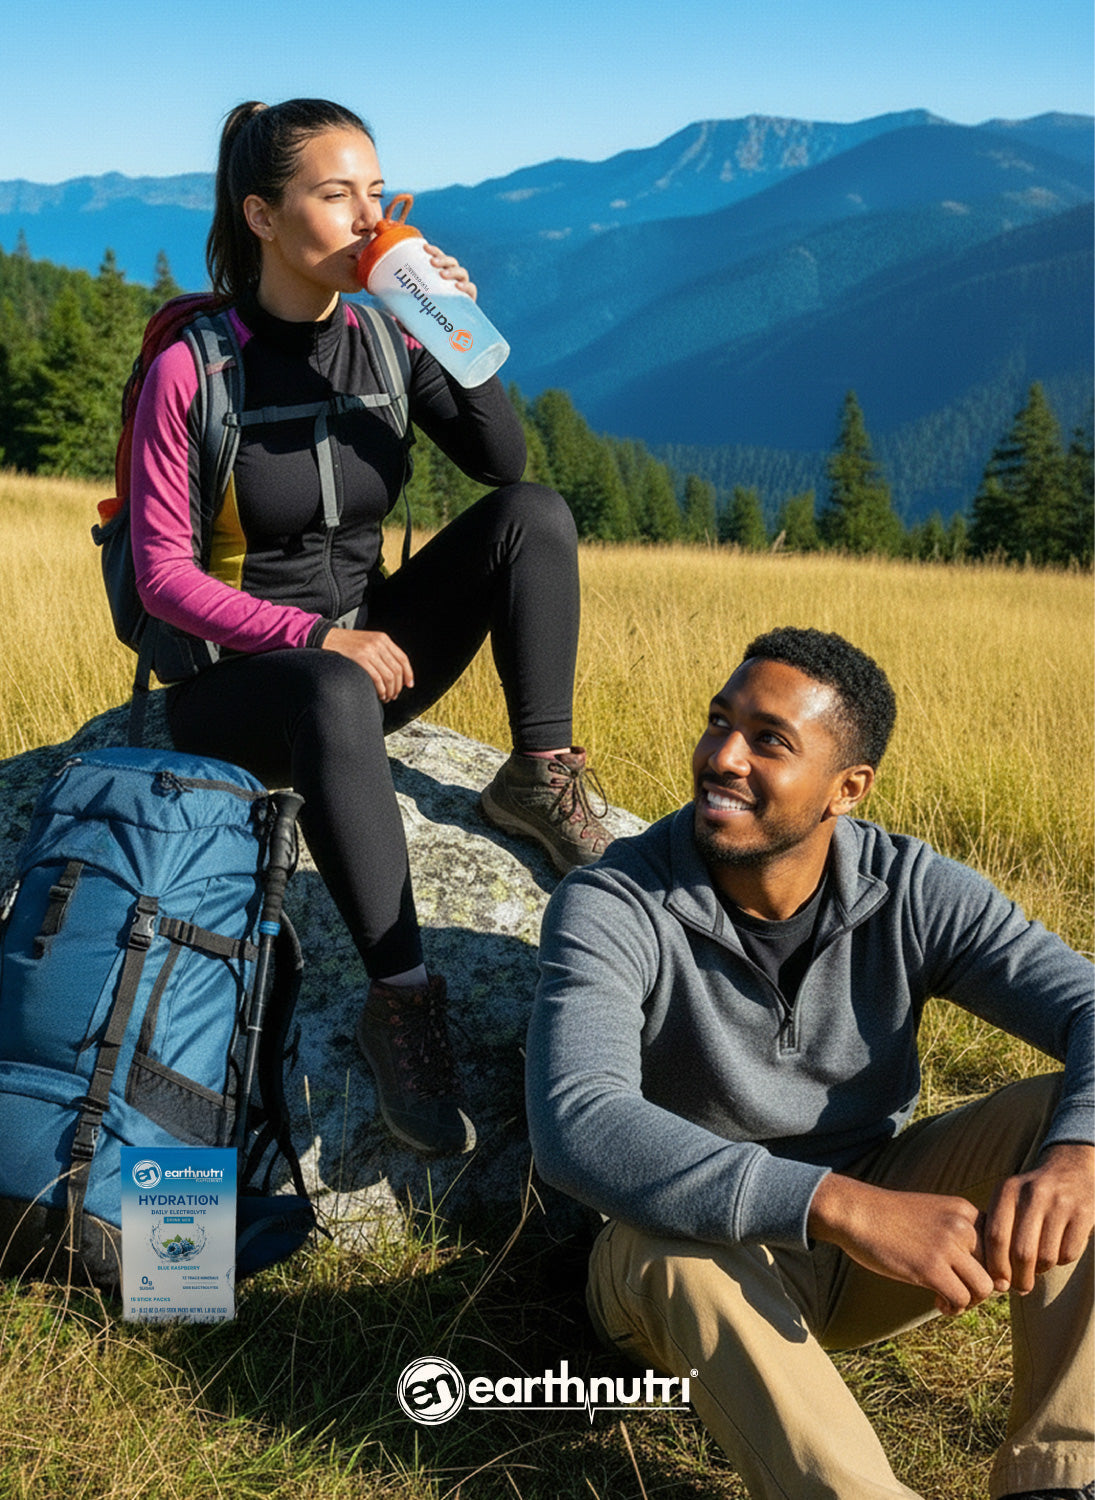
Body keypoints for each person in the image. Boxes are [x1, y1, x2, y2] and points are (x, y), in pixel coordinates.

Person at [129, 97, 612, 1161]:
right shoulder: (192, 365)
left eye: (375, 191)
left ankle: (537, 774)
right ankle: (401, 999)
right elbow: (162, 576)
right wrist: (310, 643)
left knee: (536, 520)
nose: (367, 216)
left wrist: (451, 322)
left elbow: (505, 464)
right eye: (335, 194)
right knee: (335, 687)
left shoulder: (387, 337)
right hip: (239, 685)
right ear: (262, 214)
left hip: (364, 650)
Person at [526, 626, 1093, 1500]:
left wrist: (1073, 1154)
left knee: (1076, 1127)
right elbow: (578, 1121)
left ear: (846, 789)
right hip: (689, 1263)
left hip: (863, 1256)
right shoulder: (613, 900)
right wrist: (839, 1205)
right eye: (719, 722)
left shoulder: (909, 888)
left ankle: (1058, 1478)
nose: (722, 756)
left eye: (768, 740)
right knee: (667, 1250)